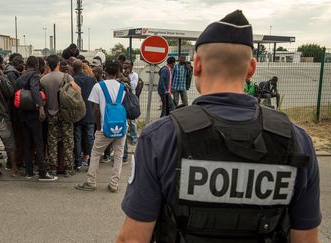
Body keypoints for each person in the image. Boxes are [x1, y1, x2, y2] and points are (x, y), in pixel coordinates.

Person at [117, 10, 321, 243]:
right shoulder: (296, 140)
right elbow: (306, 238)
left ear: (196, 65)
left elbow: (133, 239)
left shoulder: (160, 137)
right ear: (251, 68)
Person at [75, 60, 126, 193]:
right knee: (119, 155)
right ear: (118, 72)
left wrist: (98, 126)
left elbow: (96, 109)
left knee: (96, 153)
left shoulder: (98, 86)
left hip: (105, 127)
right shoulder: (122, 87)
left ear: (105, 71)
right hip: (120, 127)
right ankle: (114, 184)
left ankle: (90, 182)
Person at [15, 56, 57, 181]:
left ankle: (29, 171)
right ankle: (42, 173)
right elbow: (34, 89)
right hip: (33, 114)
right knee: (38, 143)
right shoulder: (34, 76)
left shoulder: (20, 77)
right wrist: (40, 107)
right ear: (36, 65)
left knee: (27, 143)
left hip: (22, 114)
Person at [40, 54, 79, 177]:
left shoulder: (43, 80)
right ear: (58, 64)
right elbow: (78, 90)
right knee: (68, 140)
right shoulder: (67, 77)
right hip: (65, 113)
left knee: (52, 141)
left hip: (51, 114)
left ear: (48, 65)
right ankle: (68, 169)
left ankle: (52, 168)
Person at [72, 60, 97, 169]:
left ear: (73, 68)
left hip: (77, 114)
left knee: (77, 138)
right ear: (82, 67)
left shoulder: (72, 80)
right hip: (90, 114)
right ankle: (92, 161)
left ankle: (78, 162)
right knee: (90, 138)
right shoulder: (92, 79)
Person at [123, 60, 139, 145]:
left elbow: (133, 86)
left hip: (131, 99)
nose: (125, 65)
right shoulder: (121, 73)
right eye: (124, 63)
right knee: (124, 120)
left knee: (133, 121)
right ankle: (124, 138)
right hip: (122, 99)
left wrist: (127, 78)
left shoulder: (134, 75)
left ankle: (134, 138)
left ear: (131, 65)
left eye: (127, 63)